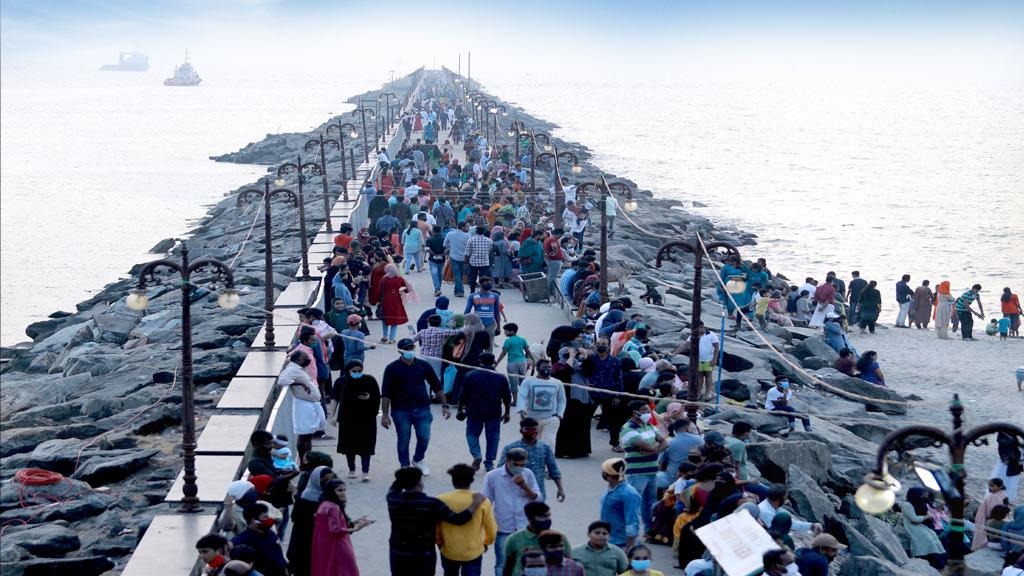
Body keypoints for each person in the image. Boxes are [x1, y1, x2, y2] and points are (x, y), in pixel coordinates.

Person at [386, 466, 487, 576]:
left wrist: (402, 478)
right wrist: (475, 502)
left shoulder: (393, 499)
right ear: (419, 482)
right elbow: (459, 519)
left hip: (398, 552)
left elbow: (394, 488)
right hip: (423, 554)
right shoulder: (431, 503)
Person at [380, 338, 449, 474]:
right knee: (404, 439)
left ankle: (418, 459)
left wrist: (445, 405)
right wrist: (385, 415)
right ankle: (404, 465)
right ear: (400, 351)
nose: (410, 350)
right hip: (401, 410)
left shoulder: (423, 365)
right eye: (407, 348)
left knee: (424, 436)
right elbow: (386, 393)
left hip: (422, 408)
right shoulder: (392, 368)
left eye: (412, 347)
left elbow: (437, 386)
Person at [484, 448, 543, 576]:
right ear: (507, 461)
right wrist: (485, 529)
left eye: (522, 465)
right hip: (503, 527)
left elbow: (538, 499)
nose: (519, 468)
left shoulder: (528, 474)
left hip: (523, 527)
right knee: (502, 563)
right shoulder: (492, 476)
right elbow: (486, 502)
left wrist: (524, 486)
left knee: (526, 562)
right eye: (516, 464)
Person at [438, 463, 498, 576]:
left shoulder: (441, 499)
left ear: (453, 480)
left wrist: (439, 542)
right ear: (471, 480)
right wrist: (486, 542)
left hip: (449, 550)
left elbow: (436, 527)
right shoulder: (482, 501)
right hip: (473, 552)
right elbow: (491, 529)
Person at [459, 352, 512, 471]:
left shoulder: (470, 375)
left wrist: (460, 409)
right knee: (493, 437)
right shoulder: (500, 377)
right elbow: (507, 397)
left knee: (472, 434)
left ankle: (477, 455)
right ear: (493, 362)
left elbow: (462, 395)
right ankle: (489, 462)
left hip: (474, 410)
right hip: (493, 411)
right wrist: (507, 412)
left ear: (480, 361)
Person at [620, 400, 666, 536]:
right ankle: (630, 531)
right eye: (645, 410)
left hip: (652, 470)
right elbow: (651, 445)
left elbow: (664, 442)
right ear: (635, 412)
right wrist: (654, 448)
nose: (648, 413)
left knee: (648, 503)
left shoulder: (650, 426)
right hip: (637, 473)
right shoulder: (628, 429)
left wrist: (652, 449)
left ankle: (648, 530)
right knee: (633, 503)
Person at [329, 360, 379, 481]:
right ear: (348, 371)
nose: (357, 373)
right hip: (347, 418)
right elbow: (334, 398)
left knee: (366, 445)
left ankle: (365, 471)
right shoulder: (341, 381)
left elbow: (377, 397)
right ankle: (352, 469)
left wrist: (369, 397)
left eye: (359, 371)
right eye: (354, 371)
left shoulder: (369, 380)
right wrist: (332, 416)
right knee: (349, 445)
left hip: (366, 418)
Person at [311, 479, 371, 576]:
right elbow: (335, 530)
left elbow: (332, 524)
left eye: (344, 490)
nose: (343, 493)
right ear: (332, 491)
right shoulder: (334, 507)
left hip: (326, 546)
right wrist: (356, 528)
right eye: (339, 490)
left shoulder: (323, 504)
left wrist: (355, 521)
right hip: (338, 546)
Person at [499, 418, 564, 502]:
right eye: (528, 429)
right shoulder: (510, 448)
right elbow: (500, 469)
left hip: (537, 494)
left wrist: (560, 489)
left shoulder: (545, 448)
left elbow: (553, 469)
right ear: (521, 431)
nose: (531, 432)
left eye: (534, 429)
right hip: (515, 493)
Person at [276, 351, 325, 461]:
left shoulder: (298, 368)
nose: (307, 359)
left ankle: (308, 459)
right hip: (303, 404)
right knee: (304, 436)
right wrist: (299, 384)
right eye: (305, 358)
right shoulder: (293, 369)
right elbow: (282, 380)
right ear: (298, 359)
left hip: (310, 403)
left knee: (308, 436)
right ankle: (303, 461)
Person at [502, 502, 572, 576]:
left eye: (548, 516)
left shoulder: (560, 537)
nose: (547, 519)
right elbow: (508, 567)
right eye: (542, 516)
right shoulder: (514, 539)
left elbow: (569, 564)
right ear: (530, 519)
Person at [287, 465, 333, 575]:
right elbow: (297, 520)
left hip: (322, 540)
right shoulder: (305, 497)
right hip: (305, 541)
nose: (327, 482)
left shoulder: (329, 496)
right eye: (325, 479)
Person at [517, 359, 567, 446]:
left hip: (551, 419)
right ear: (537, 368)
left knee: (550, 444)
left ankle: (548, 459)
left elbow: (561, 400)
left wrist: (559, 414)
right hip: (532, 419)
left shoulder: (557, 383)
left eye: (549, 367)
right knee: (532, 445)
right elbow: (522, 396)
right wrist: (522, 409)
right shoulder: (528, 381)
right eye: (544, 367)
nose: (547, 369)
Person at [232, 503, 288, 576]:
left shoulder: (270, 532)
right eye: (265, 517)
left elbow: (277, 551)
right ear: (253, 520)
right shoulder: (243, 540)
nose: (269, 519)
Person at [599, 458, 642, 550]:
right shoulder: (611, 487)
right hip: (606, 539)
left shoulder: (629, 494)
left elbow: (632, 523)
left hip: (620, 543)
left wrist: (629, 548)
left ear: (607, 474)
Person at [902, 487, 947, 570]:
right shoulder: (907, 504)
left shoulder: (920, 503)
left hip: (922, 525)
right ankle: (938, 563)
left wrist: (929, 516)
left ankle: (943, 562)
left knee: (934, 539)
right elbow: (914, 519)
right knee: (928, 540)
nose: (923, 496)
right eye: (921, 494)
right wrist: (927, 516)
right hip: (913, 526)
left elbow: (927, 512)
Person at [677, 322, 719, 402]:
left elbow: (716, 347)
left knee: (708, 375)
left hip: (708, 359)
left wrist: (714, 359)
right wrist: (674, 353)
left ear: (703, 327)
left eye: (700, 328)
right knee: (699, 375)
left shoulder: (711, 335)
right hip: (698, 360)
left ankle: (708, 392)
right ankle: (699, 391)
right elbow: (685, 345)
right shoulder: (694, 335)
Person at [379, 263, 416, 344]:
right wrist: (400, 291)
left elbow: (379, 291)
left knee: (385, 319)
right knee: (394, 321)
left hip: (385, 302)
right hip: (396, 301)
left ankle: (385, 336)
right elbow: (407, 289)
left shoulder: (384, 279)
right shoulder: (400, 279)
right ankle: (391, 339)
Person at [972, 477, 1010, 550]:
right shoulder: (1002, 494)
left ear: (1000, 487)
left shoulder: (995, 497)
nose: (989, 487)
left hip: (990, 519)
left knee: (981, 536)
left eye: (992, 486)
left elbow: (992, 511)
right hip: (998, 518)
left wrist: (980, 513)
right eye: (989, 485)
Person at [496, 323, 532, 398]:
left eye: (505, 331)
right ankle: (524, 398)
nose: (504, 333)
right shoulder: (522, 340)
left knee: (513, 382)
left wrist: (497, 363)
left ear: (511, 331)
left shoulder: (508, 341)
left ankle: (515, 400)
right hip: (522, 362)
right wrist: (533, 361)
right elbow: (527, 351)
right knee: (522, 381)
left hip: (512, 363)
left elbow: (503, 353)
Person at [994, 432, 1022, 504]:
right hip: (1007, 463)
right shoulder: (1004, 437)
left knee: (1010, 482)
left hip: (1012, 463)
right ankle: (1001, 498)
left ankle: (1005, 498)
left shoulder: (1010, 435)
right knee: (1005, 480)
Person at [445, 221, 472, 297]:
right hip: (463, 258)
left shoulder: (450, 234)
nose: (467, 228)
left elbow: (445, 244)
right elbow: (470, 247)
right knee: (460, 274)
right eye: (466, 226)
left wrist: (451, 246)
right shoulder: (467, 236)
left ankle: (457, 290)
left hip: (453, 257)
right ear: (463, 227)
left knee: (456, 274)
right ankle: (460, 291)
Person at [465, 226, 494, 294]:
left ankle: (472, 291)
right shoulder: (489, 240)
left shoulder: (471, 240)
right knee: (483, 278)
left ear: (476, 232)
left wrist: (466, 262)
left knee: (472, 277)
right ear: (484, 232)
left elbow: (467, 253)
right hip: (484, 262)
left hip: (473, 262)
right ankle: (483, 291)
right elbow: (489, 251)